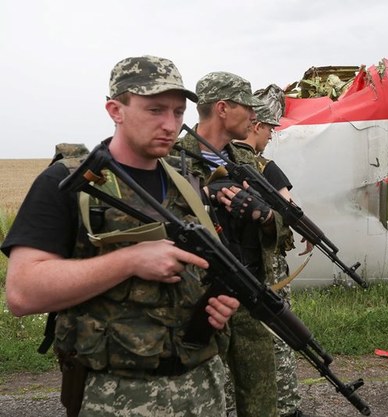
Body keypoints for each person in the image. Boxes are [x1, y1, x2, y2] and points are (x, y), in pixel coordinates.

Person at [1, 55, 240, 417]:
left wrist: (217, 305)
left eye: (177, 112)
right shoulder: (68, 183)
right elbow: (23, 293)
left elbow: (203, 269)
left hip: (202, 387)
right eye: (155, 109)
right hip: (113, 395)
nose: (170, 124)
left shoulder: (188, 181)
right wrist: (129, 260)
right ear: (116, 109)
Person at [175, 71, 290, 417]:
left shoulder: (248, 163)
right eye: (248, 108)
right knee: (203, 401)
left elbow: (283, 231)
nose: (255, 117)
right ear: (223, 109)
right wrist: (205, 200)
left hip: (251, 296)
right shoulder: (174, 161)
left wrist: (266, 216)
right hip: (203, 305)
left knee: (261, 400)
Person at [231, 96, 316, 417]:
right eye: (269, 130)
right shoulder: (261, 165)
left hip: (236, 266)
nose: (271, 136)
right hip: (264, 269)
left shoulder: (221, 160)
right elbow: (290, 208)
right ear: (257, 126)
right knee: (278, 336)